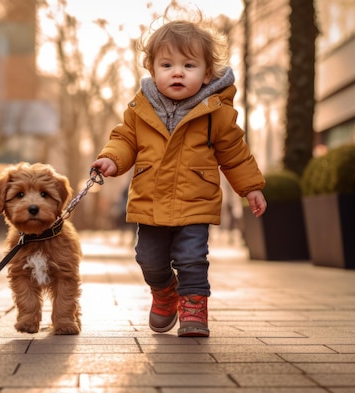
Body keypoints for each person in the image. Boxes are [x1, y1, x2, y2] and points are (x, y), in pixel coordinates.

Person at [92, 14, 267, 337]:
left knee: (192, 259)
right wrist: (111, 160)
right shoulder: (139, 109)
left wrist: (251, 188)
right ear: (152, 69)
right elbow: (125, 140)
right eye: (167, 65)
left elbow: (234, 153)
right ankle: (164, 292)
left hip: (195, 200)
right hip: (151, 201)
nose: (177, 73)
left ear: (206, 73)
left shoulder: (216, 112)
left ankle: (194, 308)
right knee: (149, 260)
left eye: (189, 66)